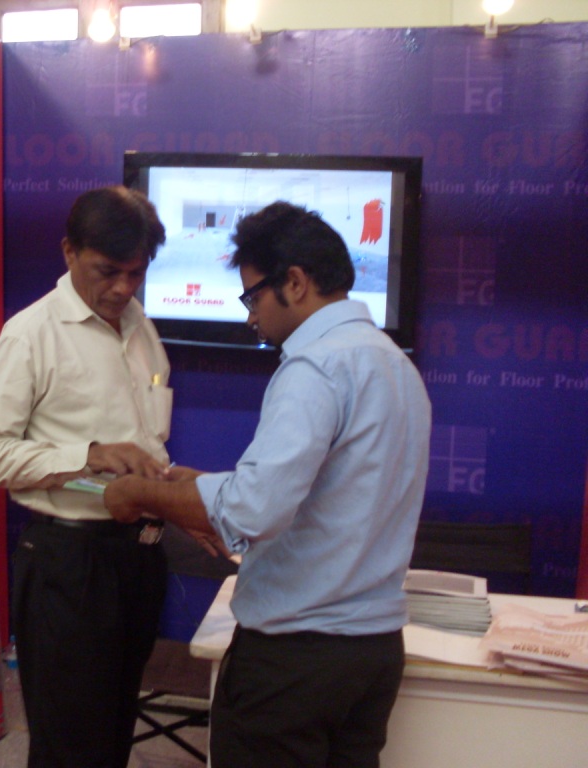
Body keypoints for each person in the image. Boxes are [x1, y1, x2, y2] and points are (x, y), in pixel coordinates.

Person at [103, 201, 432, 768]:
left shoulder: (314, 368)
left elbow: (253, 511)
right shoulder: (394, 365)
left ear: (295, 283)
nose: (250, 318)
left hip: (295, 659)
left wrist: (139, 493)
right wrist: (203, 487)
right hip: (373, 654)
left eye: (252, 298)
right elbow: (331, 493)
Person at [0, 186, 173, 768]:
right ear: (69, 252)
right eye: (108, 271)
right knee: (69, 743)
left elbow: (147, 438)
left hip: (137, 557)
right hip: (69, 564)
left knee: (113, 732)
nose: (124, 288)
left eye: (137, 273)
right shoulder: (31, 335)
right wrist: (90, 455)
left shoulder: (140, 327)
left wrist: (167, 485)